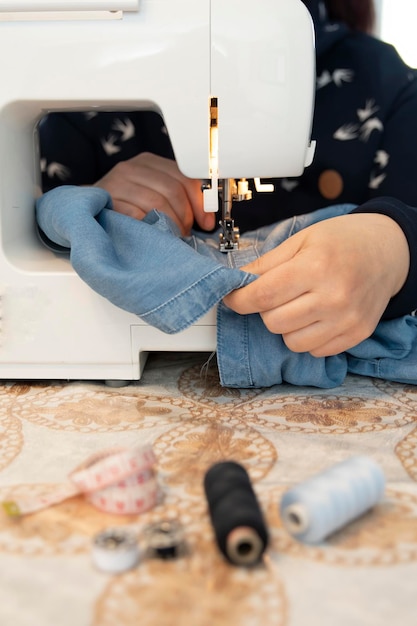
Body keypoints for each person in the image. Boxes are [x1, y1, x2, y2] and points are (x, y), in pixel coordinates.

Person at [39, 0, 417, 359]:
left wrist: (394, 249)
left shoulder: (389, 89)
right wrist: (83, 208)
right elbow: (23, 220)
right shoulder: (86, 95)